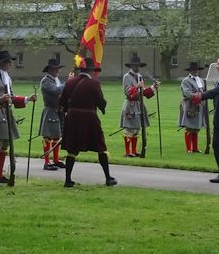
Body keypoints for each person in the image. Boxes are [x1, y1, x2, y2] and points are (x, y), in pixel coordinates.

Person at [0, 50, 37, 186]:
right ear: (2, 63)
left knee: (5, 145)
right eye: (8, 62)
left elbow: (11, 97)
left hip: (7, 114)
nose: (11, 64)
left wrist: (27, 99)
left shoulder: (7, 77)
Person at [60, 57, 116, 187]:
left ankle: (68, 180)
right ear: (91, 71)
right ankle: (108, 178)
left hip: (73, 119)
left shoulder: (69, 83)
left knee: (72, 150)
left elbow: (62, 102)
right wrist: (103, 107)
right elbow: (100, 102)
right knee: (101, 147)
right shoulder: (94, 83)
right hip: (89, 118)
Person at [119, 56, 158, 157]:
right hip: (130, 105)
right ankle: (128, 152)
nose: (137, 67)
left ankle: (134, 151)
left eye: (138, 65)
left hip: (139, 105)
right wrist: (137, 87)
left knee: (136, 129)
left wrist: (153, 88)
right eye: (135, 65)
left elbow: (143, 92)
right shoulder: (126, 77)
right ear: (131, 66)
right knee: (129, 130)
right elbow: (128, 92)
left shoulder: (139, 76)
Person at [38, 58, 65, 170]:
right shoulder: (46, 81)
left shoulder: (56, 80)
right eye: (56, 69)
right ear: (50, 69)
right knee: (48, 136)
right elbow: (55, 91)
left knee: (57, 135)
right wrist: (67, 83)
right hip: (50, 109)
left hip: (59, 110)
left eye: (58, 68)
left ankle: (55, 159)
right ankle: (46, 161)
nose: (58, 71)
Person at [179, 62, 207, 153]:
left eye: (197, 69)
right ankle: (188, 149)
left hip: (200, 105)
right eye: (194, 70)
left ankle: (195, 148)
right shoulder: (186, 81)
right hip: (189, 105)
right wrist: (197, 95)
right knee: (189, 127)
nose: (196, 71)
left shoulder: (200, 80)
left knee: (196, 128)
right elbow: (187, 93)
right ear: (190, 71)